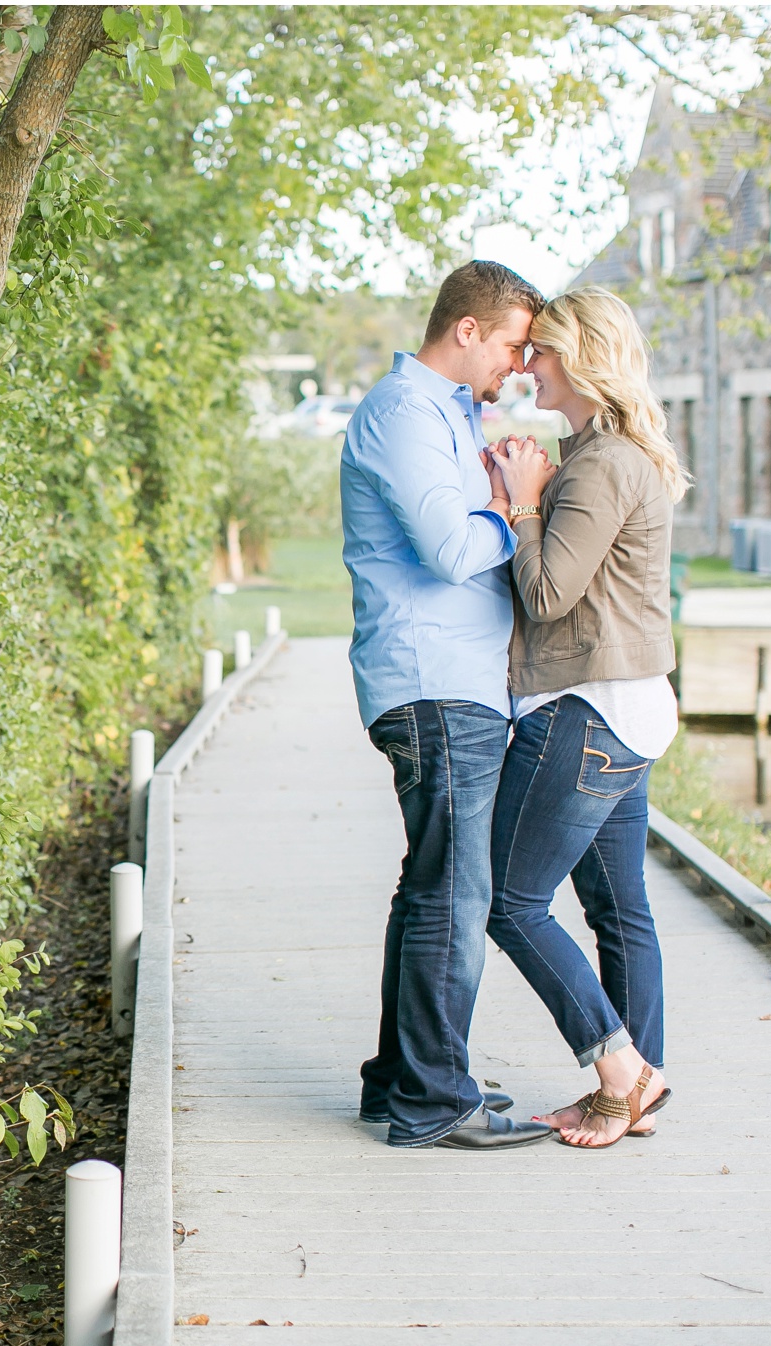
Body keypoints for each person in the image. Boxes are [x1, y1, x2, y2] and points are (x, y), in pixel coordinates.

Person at [340, 261, 555, 1150]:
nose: (516, 364)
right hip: (434, 684)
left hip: (456, 682)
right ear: (466, 330)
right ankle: (433, 1100)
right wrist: (517, 504)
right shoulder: (404, 414)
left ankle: (401, 1080)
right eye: (510, 343)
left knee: (431, 885)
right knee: (455, 895)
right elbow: (448, 547)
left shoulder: (453, 415)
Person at [483, 285, 688, 1148]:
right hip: (630, 709)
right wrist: (529, 490)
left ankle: (619, 1069)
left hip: (589, 712)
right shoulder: (611, 452)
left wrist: (521, 504)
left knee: (510, 899)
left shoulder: (601, 464)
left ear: (580, 358)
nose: (527, 366)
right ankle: (636, 1093)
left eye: (541, 352)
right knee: (619, 907)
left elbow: (547, 590)